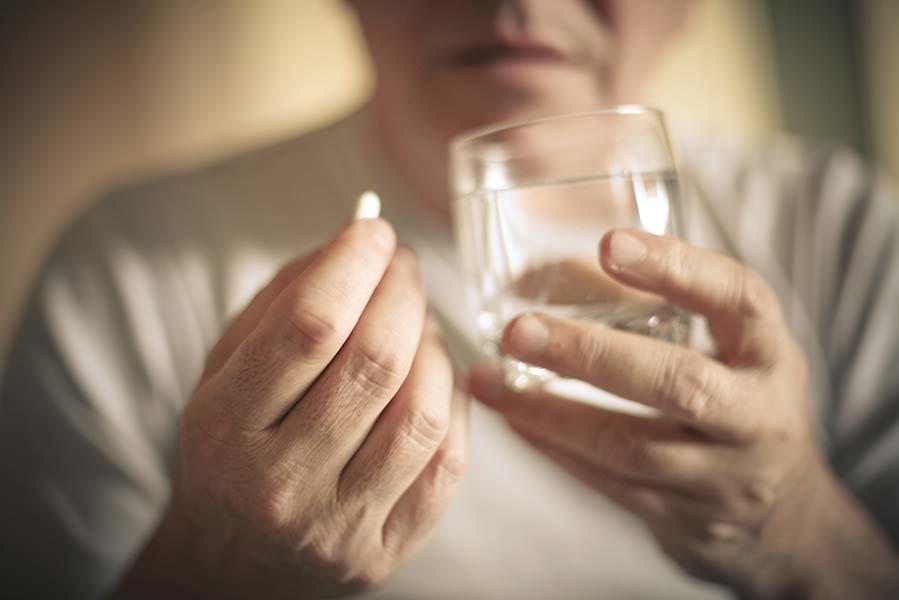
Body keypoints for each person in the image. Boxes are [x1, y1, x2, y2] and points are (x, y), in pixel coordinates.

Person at [2, 1, 898, 597]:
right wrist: (215, 562)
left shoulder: (848, 233)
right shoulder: (128, 266)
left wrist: (800, 533)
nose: (514, 0)